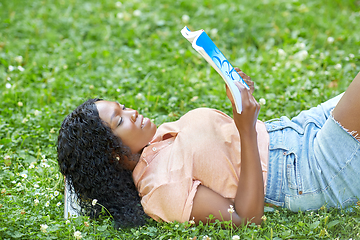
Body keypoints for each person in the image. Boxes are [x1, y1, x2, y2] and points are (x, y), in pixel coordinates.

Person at [57, 68, 360, 228]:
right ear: (115, 153)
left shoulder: (159, 139)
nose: (132, 112)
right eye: (121, 119)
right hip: (310, 172)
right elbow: (245, 217)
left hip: (300, 129)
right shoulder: (160, 188)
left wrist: (241, 99)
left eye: (122, 107)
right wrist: (245, 129)